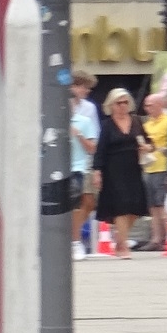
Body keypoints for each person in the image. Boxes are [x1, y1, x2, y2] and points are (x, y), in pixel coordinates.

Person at [92, 88, 151, 258]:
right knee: (121, 207)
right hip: (113, 169)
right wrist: (97, 171)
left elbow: (149, 142)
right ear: (111, 105)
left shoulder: (137, 121)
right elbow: (100, 151)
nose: (123, 106)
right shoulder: (107, 125)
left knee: (135, 208)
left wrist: (147, 147)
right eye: (119, 103)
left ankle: (119, 239)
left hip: (133, 167)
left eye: (126, 102)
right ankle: (123, 246)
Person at [68, 70, 100, 259]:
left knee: (89, 202)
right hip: (68, 164)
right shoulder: (58, 105)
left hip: (85, 162)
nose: (87, 91)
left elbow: (94, 135)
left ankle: (75, 236)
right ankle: (75, 240)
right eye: (84, 87)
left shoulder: (89, 109)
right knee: (76, 203)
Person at [139, 92, 167, 249]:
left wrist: (163, 149)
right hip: (148, 168)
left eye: (150, 105)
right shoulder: (146, 125)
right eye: (146, 106)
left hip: (162, 167)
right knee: (152, 206)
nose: (147, 109)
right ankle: (156, 239)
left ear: (160, 105)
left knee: (162, 205)